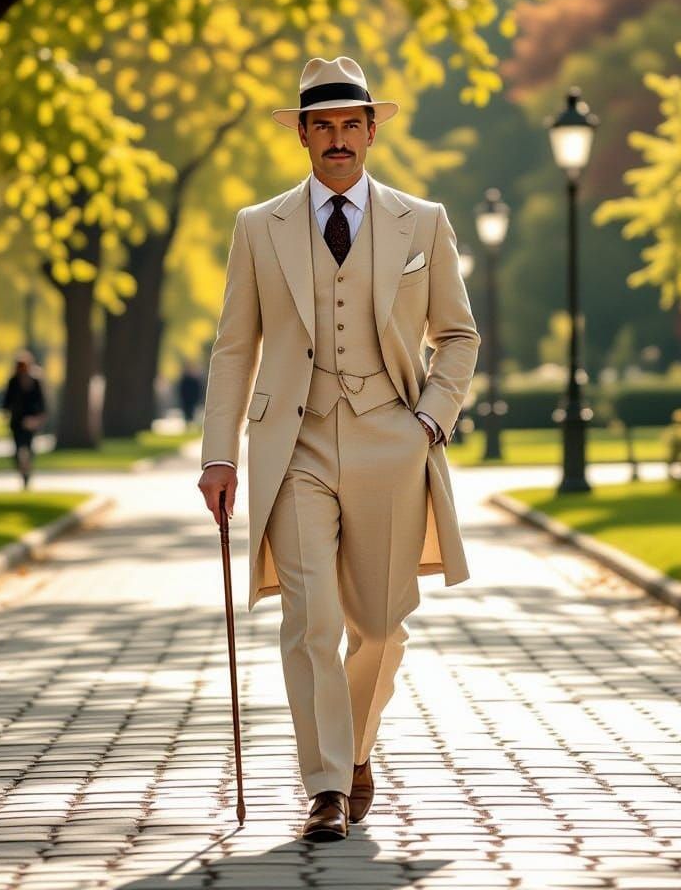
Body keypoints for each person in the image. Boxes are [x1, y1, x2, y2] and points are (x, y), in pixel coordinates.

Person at [197, 57, 479, 841]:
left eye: (350, 124)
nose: (337, 140)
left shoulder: (422, 221)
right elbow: (232, 349)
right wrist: (218, 454)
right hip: (297, 443)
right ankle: (325, 785)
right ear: (302, 135)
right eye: (322, 126)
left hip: (395, 437)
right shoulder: (260, 228)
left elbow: (457, 335)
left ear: (370, 131)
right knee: (310, 618)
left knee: (383, 628)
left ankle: (354, 749)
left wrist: (430, 419)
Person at [2, 350, 47, 489]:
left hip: (30, 419)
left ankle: (27, 471)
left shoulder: (35, 381)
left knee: (28, 447)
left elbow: (41, 401)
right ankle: (22, 470)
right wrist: (6, 412)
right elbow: (7, 400)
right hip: (16, 420)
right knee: (17, 448)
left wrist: (39, 416)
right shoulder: (13, 381)